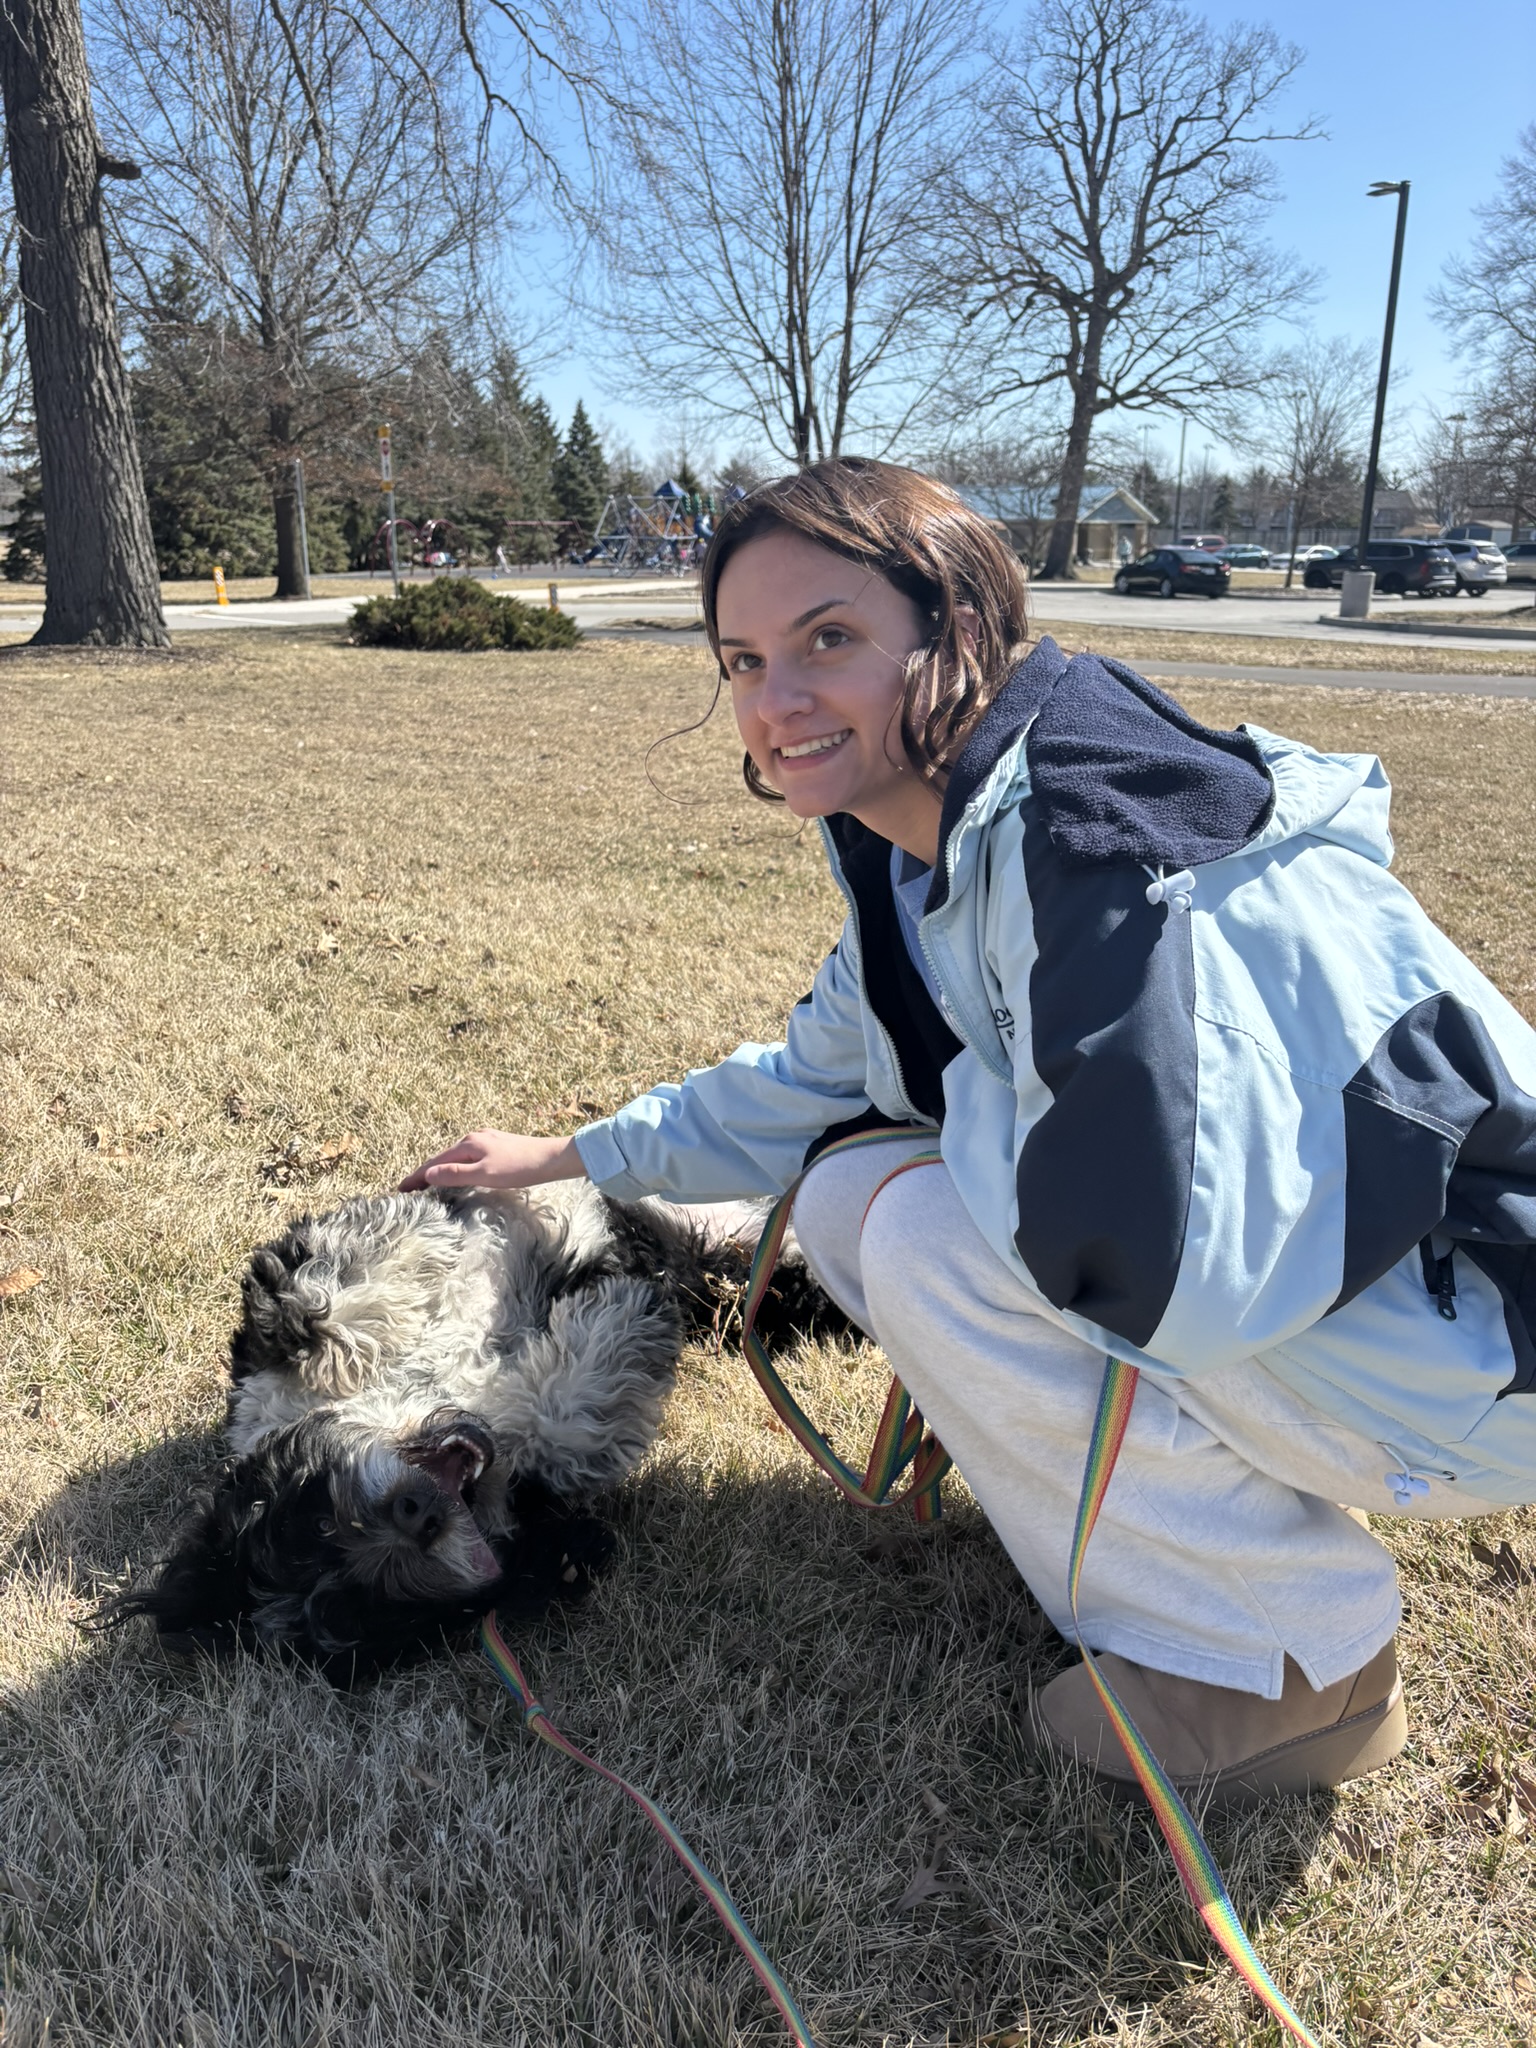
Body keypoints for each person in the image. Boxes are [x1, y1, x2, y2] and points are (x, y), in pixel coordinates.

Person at [402, 458, 1536, 1807]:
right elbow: (812, 1077)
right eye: (744, 658)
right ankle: (1180, 1552)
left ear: (959, 631)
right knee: (861, 1186)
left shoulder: (1094, 847)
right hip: (1410, 1308)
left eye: (831, 640)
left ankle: (1286, 1664)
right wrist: (567, 1154)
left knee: (915, 1217)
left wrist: (956, 1123)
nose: (777, 701)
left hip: (1472, 1352)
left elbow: (1164, 1268)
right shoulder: (938, 828)